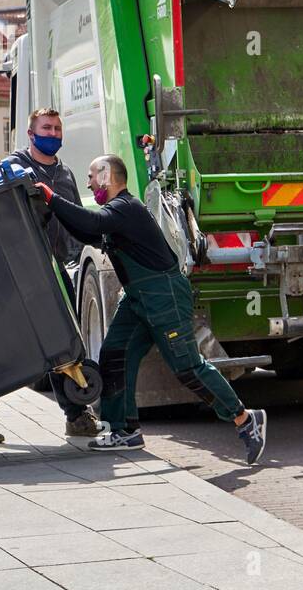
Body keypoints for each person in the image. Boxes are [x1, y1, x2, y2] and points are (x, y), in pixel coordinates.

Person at [36, 154, 267, 462]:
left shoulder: (126, 208)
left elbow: (93, 223)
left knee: (187, 367)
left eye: (93, 176)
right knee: (115, 354)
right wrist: (53, 208)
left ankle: (245, 419)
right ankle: (124, 430)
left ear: (106, 176)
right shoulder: (115, 212)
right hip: (138, 298)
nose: (89, 182)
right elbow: (88, 232)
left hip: (162, 296)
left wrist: (53, 198)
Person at [0, 108, 102, 446]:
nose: (52, 133)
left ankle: (77, 417)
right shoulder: (13, 168)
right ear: (30, 133)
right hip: (13, 273)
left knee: (65, 339)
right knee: (1, 343)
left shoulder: (64, 174)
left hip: (50, 270)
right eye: (46, 128)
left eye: (57, 128)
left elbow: (69, 221)